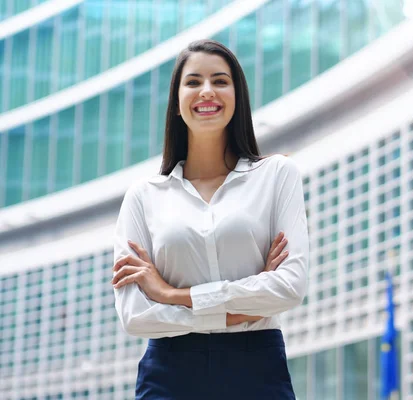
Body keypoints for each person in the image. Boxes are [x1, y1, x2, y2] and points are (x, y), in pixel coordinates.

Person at [111, 39, 309, 399]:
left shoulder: (277, 175)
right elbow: (136, 315)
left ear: (238, 97)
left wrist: (172, 294)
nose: (207, 91)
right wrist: (234, 311)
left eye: (220, 81)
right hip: (169, 373)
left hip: (257, 368)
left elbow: (289, 287)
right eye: (193, 82)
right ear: (176, 102)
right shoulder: (143, 197)